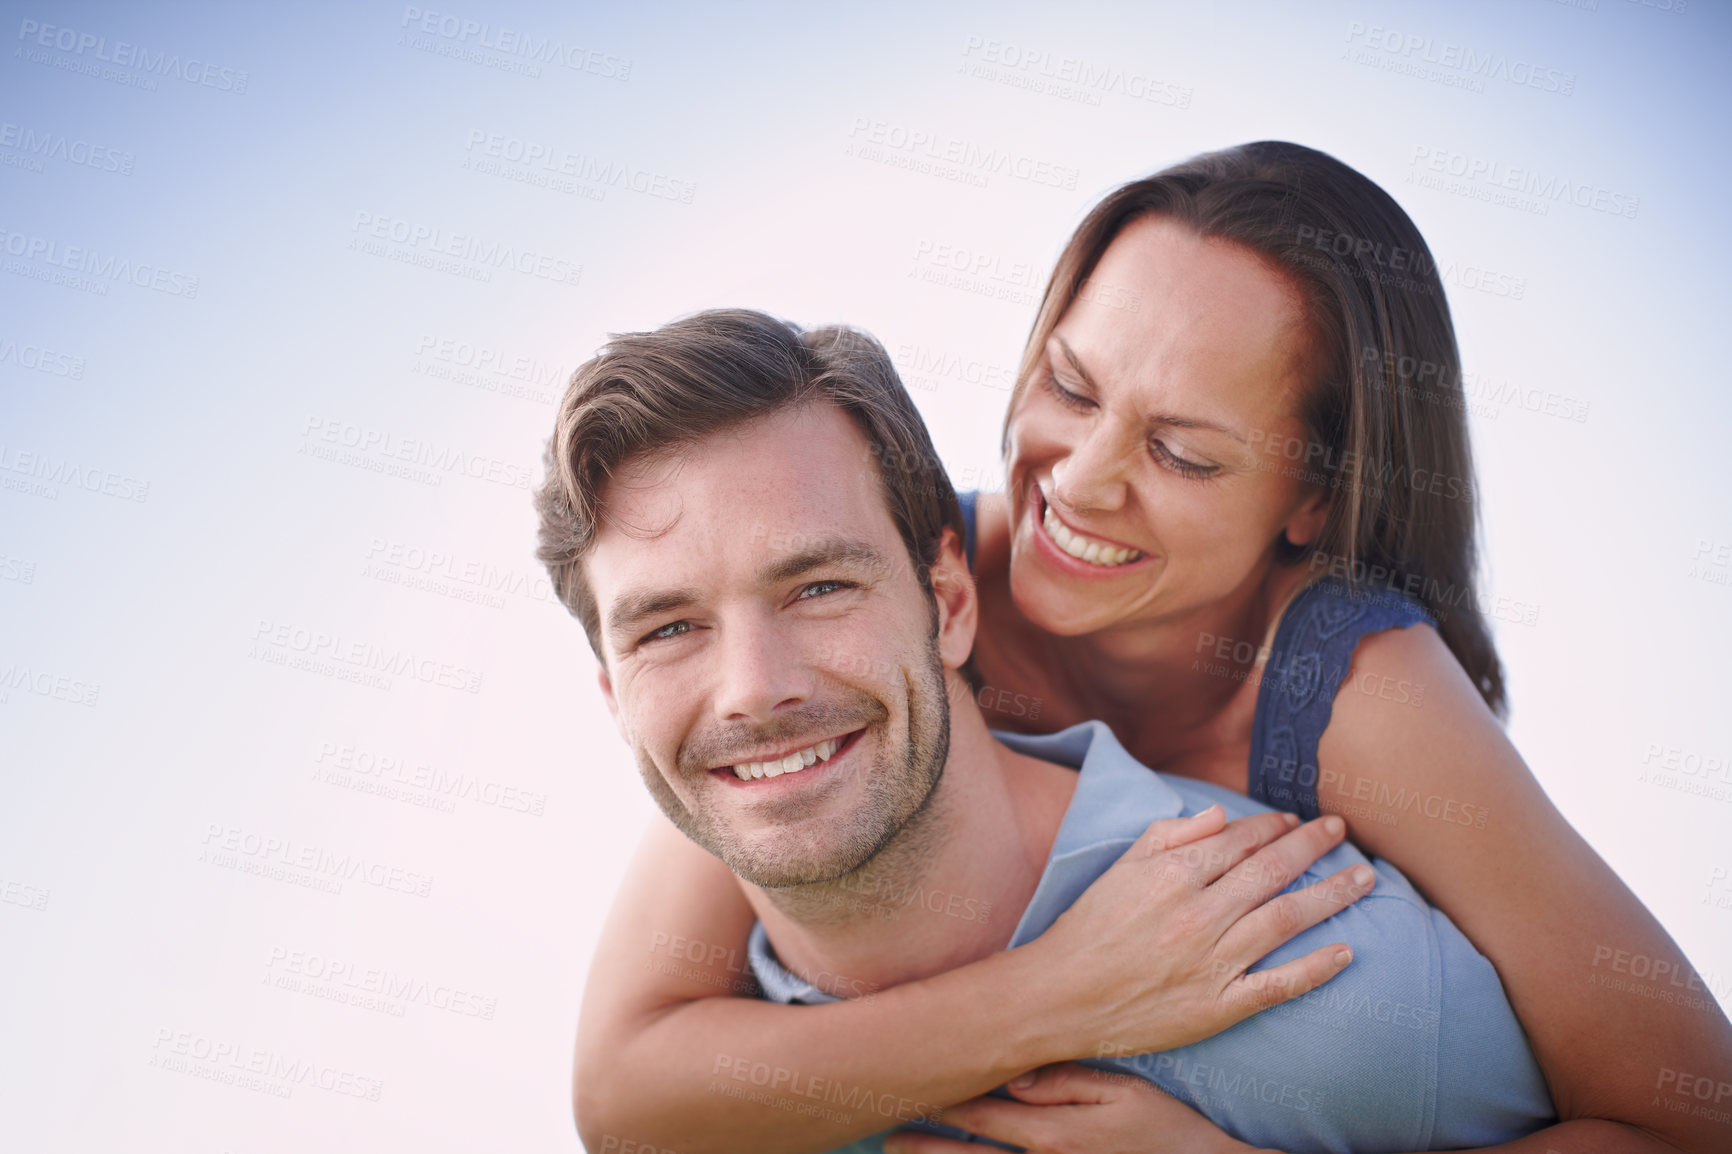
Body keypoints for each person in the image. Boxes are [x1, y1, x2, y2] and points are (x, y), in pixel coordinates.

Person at [552, 144, 1732, 1153]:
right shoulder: (876, 610)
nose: (1079, 481)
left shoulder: (1356, 693)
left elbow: (1695, 1111)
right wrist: (1055, 998)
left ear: (1309, 500)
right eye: (1069, 387)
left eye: (1182, 452)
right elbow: (628, 1081)